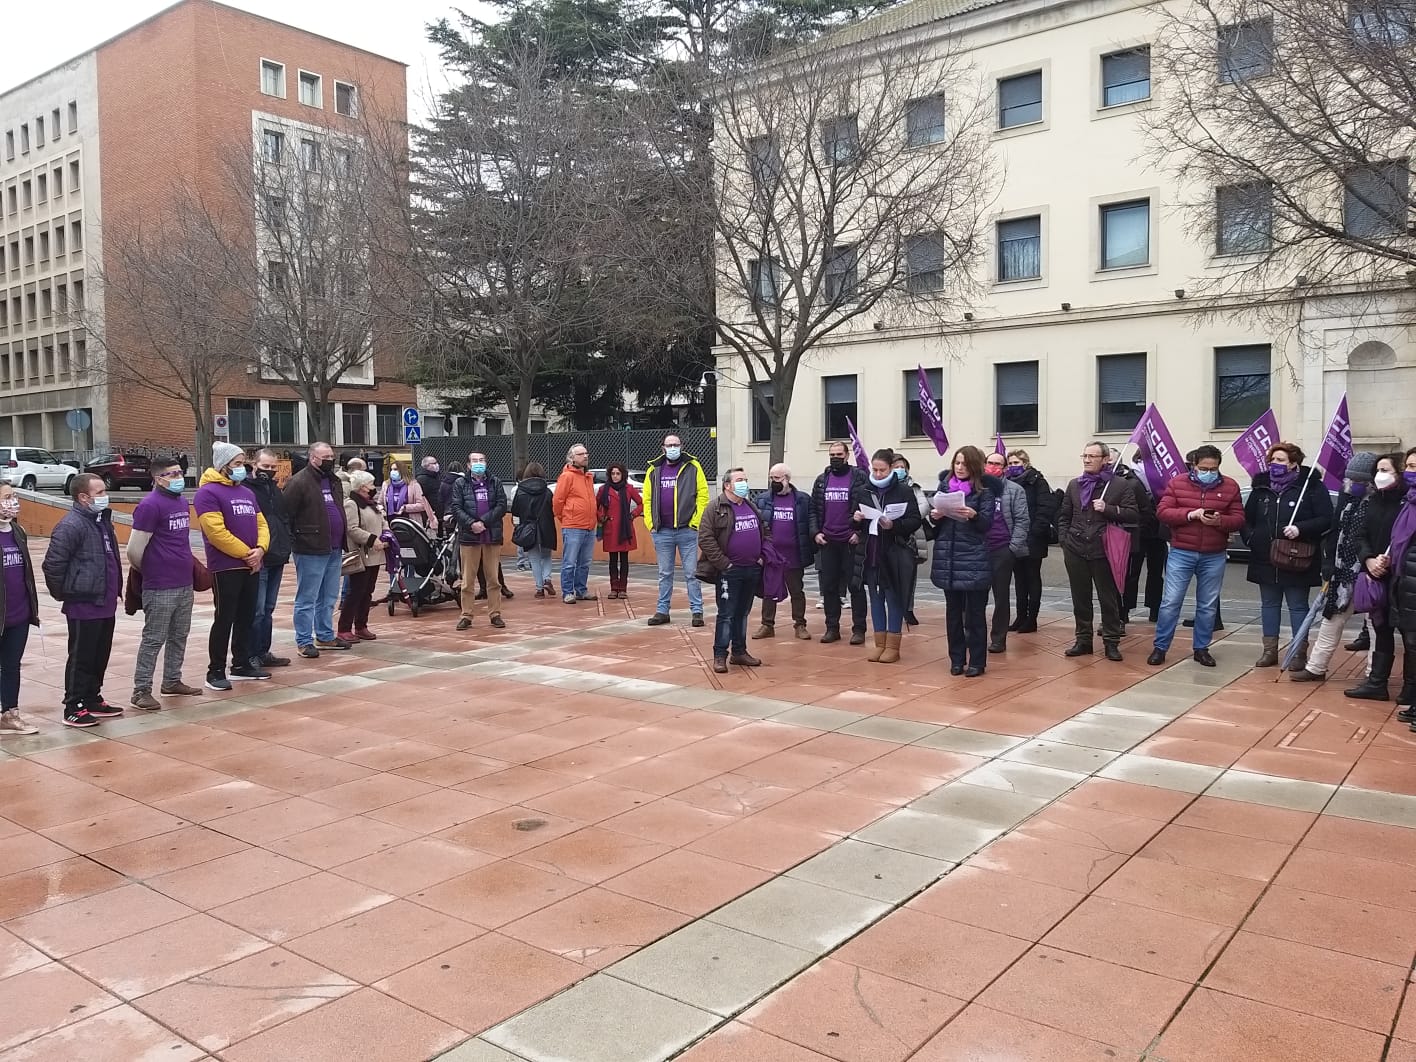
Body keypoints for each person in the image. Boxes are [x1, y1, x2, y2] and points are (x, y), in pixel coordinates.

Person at [1146, 445, 1245, 668]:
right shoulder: (1177, 483)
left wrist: (1220, 520)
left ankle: (1201, 648)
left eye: (1213, 468)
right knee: (1171, 602)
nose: (1209, 472)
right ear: (1193, 465)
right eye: (1203, 468)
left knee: (1207, 605)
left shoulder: (1230, 486)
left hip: (1214, 553)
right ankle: (1160, 647)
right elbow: (1163, 512)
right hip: (1182, 551)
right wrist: (1191, 515)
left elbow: (1239, 518)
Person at [42, 474, 124, 727]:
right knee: (81, 655)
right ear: (83, 497)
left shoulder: (102, 521)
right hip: (83, 602)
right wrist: (67, 592)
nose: (104, 496)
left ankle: (92, 697)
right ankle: (74, 704)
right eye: (99, 492)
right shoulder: (71, 525)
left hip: (105, 600)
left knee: (100, 653)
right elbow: (53, 565)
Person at [1243, 441, 1333, 669]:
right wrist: (1252, 539)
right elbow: (1247, 518)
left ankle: (1298, 652)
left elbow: (1326, 518)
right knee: (1269, 604)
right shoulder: (1261, 487)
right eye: (1273, 460)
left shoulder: (1311, 487)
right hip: (1265, 556)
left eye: (1281, 460)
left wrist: (1301, 529)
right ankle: (1269, 650)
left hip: (1297, 556)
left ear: (1294, 463)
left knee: (1297, 605)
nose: (1275, 464)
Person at [1293, 452, 1378, 682]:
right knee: (1331, 619)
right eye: (1351, 480)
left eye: (1360, 482)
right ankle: (1316, 668)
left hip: (1369, 572)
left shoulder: (1380, 503)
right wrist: (1328, 561)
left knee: (1375, 625)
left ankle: (1374, 674)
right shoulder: (1346, 497)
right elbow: (1334, 531)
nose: (1354, 485)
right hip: (1342, 570)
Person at [127, 455, 202, 711]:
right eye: (173, 474)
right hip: (160, 585)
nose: (179, 478)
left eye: (180, 473)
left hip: (184, 582)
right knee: (154, 638)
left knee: (179, 634)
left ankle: (172, 680)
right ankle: (141, 690)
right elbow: (134, 549)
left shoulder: (181, 501)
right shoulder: (149, 506)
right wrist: (150, 570)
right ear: (158, 478)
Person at [196, 443, 270, 691]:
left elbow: (262, 524)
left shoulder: (247, 493)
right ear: (223, 466)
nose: (242, 469)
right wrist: (246, 554)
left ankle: (241, 663)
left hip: (251, 564)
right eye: (237, 464)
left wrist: (260, 549)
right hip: (226, 566)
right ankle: (215, 670)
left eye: (242, 464)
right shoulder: (208, 493)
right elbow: (216, 532)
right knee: (224, 618)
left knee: (247, 617)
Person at [1057, 441, 1139, 661]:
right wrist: (1064, 540)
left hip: (1104, 549)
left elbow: (1133, 515)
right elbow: (1064, 515)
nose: (1086, 460)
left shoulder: (1120, 485)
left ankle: (1111, 641)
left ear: (1105, 460)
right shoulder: (1075, 484)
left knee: (1108, 598)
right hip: (1076, 547)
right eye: (1084, 456)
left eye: (1092, 456)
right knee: (1080, 598)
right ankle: (1083, 640)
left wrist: (1109, 509)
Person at [925, 445, 996, 676]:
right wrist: (937, 516)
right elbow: (936, 527)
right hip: (948, 558)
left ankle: (977, 661)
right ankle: (956, 659)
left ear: (974, 466)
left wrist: (974, 515)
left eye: (964, 464)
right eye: (957, 463)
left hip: (973, 559)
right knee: (953, 614)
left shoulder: (984, 491)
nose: (960, 467)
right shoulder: (944, 487)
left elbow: (987, 524)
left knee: (975, 615)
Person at [1350, 452, 1408, 702]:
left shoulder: (1407, 504)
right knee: (1381, 629)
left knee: (1408, 634)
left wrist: (1392, 560)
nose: (1380, 476)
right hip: (1375, 574)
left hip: (1401, 578)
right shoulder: (1373, 501)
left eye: (1387, 470)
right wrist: (1369, 559)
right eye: (1378, 470)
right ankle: (1377, 683)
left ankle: (1410, 688)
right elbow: (1361, 535)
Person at [283, 441, 349, 657]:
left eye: (332, 455)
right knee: (307, 597)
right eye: (326, 456)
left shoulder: (333, 480)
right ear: (313, 458)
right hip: (310, 548)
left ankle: (325, 635)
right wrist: (297, 540)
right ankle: (303, 640)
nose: (331, 459)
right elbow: (287, 515)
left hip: (334, 547)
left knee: (329, 596)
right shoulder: (299, 482)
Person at [696, 468, 764, 673]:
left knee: (743, 613)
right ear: (727, 485)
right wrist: (724, 564)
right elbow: (705, 538)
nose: (744, 483)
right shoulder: (715, 508)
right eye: (740, 480)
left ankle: (739, 652)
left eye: (745, 479)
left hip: (751, 568)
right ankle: (719, 655)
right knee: (726, 614)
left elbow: (765, 531)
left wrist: (761, 557)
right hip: (729, 571)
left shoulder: (751, 506)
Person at [860, 449, 924, 664]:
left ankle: (893, 646)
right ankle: (879, 644)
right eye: (875, 469)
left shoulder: (903, 491)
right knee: (875, 598)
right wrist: (856, 517)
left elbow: (915, 519)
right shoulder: (864, 490)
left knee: (893, 598)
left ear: (891, 468)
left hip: (894, 552)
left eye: (882, 470)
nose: (878, 474)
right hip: (871, 552)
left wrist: (894, 525)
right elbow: (853, 518)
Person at [645, 433, 709, 627]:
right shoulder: (654, 469)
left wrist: (695, 522)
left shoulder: (693, 466)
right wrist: (651, 524)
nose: (673, 448)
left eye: (676, 444)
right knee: (665, 573)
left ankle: (697, 611)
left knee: (691, 573)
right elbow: (646, 499)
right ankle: (662, 611)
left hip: (686, 531)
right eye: (669, 445)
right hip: (662, 531)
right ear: (662, 448)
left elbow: (703, 495)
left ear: (682, 446)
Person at [812, 440, 870, 645]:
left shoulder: (859, 478)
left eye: (839, 454)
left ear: (847, 456)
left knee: (855, 586)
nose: (835, 458)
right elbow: (814, 510)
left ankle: (859, 629)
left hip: (850, 541)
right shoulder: (822, 480)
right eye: (832, 454)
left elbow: (867, 507)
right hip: (828, 542)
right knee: (829, 587)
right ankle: (832, 627)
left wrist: (859, 533)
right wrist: (816, 532)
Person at [753, 463, 814, 639]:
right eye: (771, 478)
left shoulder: (802, 499)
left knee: (797, 591)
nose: (774, 481)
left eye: (777, 478)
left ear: (787, 478)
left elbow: (809, 523)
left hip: (794, 555)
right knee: (769, 591)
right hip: (772, 556)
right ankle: (767, 625)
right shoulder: (763, 499)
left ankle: (800, 624)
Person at [0, 483, 41, 734]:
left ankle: (10, 713)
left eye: (14, 496)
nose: (13, 501)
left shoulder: (18, 531)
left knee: (11, 665)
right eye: (7, 497)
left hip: (19, 613)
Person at [451, 451, 508, 630]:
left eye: (481, 460)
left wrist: (484, 522)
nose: (478, 463)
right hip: (469, 538)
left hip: (491, 536)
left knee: (493, 579)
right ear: (468, 465)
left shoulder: (495, 482)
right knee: (467, 580)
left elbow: (501, 505)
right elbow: (456, 507)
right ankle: (466, 615)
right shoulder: (460, 484)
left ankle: (495, 614)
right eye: (474, 461)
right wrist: (472, 524)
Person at [247, 449, 292, 671]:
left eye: (274, 467)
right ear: (254, 465)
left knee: (269, 607)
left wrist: (287, 543)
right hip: (260, 555)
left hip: (278, 555)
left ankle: (264, 652)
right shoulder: (247, 489)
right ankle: (251, 654)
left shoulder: (275, 489)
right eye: (265, 467)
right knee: (257, 610)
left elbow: (283, 518)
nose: (270, 471)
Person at [983, 451, 1031, 653]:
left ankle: (998, 638)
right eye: (990, 462)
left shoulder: (1014, 489)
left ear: (1004, 468)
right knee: (975, 597)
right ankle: (973, 634)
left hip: (1002, 549)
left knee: (1001, 597)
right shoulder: (978, 486)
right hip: (978, 549)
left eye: (997, 464)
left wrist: (1012, 548)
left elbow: (1022, 520)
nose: (993, 466)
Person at [1005, 449, 1056, 634]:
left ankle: (1032, 618)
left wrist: (1035, 531)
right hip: (1015, 537)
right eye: (1010, 463)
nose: (1013, 467)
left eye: (1016, 463)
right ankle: (1020, 616)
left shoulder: (1038, 481)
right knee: (1019, 579)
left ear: (1025, 463)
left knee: (1032, 577)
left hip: (1034, 537)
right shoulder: (1008, 482)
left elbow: (1045, 508)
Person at [339, 471, 389, 641]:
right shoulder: (352, 504)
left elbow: (382, 521)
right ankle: (344, 627)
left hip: (375, 554)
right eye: (370, 483)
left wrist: (386, 534)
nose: (373, 487)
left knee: (368, 591)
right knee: (356, 592)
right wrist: (371, 539)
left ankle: (361, 625)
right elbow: (352, 529)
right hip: (361, 554)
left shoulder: (371, 504)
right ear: (362, 486)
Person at [554, 443, 597, 604]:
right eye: (580, 454)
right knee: (570, 561)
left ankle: (581, 589)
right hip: (573, 526)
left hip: (589, 526)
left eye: (586, 453)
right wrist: (565, 518)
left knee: (585, 562)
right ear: (572, 458)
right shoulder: (567, 476)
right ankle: (567, 592)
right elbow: (558, 501)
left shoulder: (588, 477)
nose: (585, 456)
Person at [890, 455, 929, 627]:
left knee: (909, 576)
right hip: (890, 537)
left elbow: (924, 507)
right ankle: (893, 608)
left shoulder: (914, 488)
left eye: (902, 467)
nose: (900, 470)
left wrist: (904, 518)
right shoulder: (885, 487)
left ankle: (908, 609)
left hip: (911, 538)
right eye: (896, 466)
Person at [511, 462, 558, 597]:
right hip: (546, 526)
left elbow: (515, 510)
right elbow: (553, 509)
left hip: (528, 527)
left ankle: (539, 588)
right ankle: (547, 579)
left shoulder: (520, 491)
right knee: (546, 555)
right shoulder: (547, 491)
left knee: (534, 558)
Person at [597, 463, 642, 600]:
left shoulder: (629, 488)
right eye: (613, 474)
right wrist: (601, 517)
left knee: (624, 560)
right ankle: (613, 588)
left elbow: (642, 503)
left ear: (623, 475)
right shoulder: (603, 489)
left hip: (625, 528)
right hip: (610, 528)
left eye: (618, 473)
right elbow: (596, 506)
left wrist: (633, 514)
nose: (615, 476)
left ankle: (623, 589)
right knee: (612, 560)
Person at [380, 460, 435, 531]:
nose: (392, 472)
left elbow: (422, 505)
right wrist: (381, 509)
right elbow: (380, 502)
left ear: (402, 471)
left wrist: (405, 508)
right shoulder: (386, 484)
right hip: (390, 523)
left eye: (395, 469)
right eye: (391, 469)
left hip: (409, 523)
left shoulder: (414, 485)